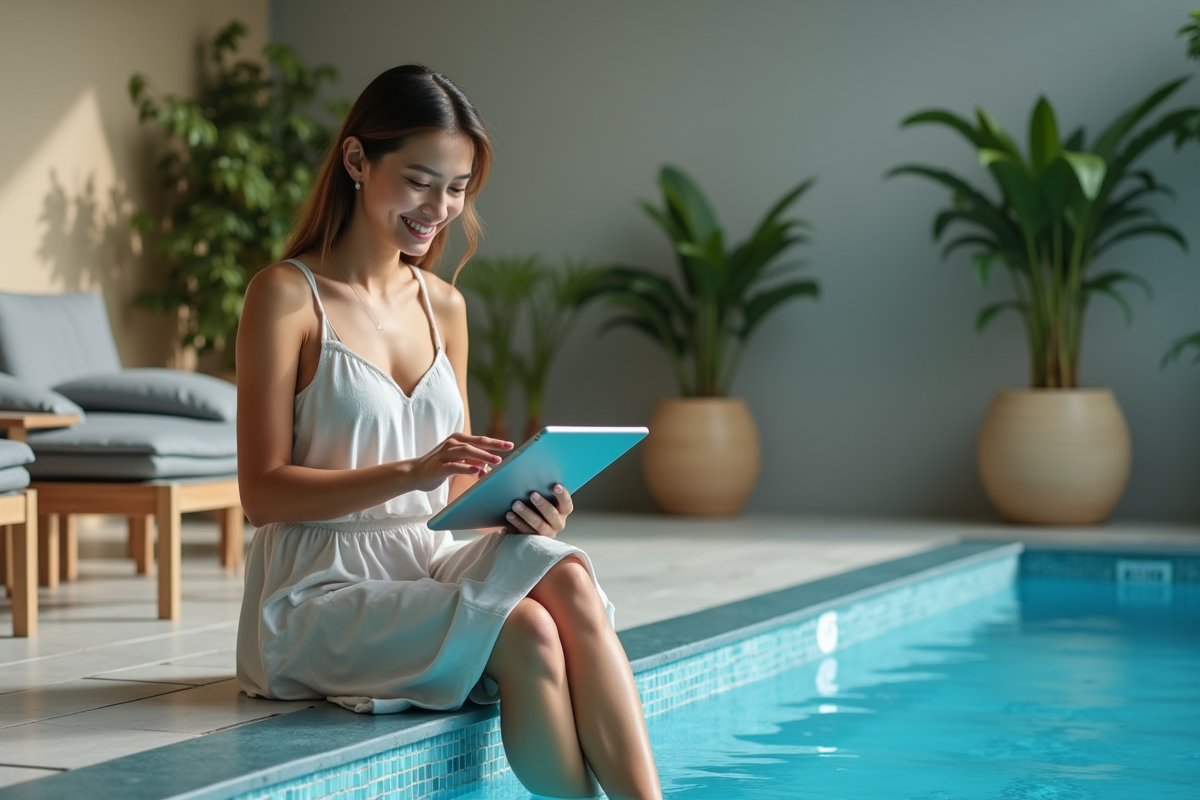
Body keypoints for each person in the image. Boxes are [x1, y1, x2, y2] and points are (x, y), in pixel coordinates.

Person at [233, 65, 662, 800]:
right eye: (420, 181)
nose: (440, 209)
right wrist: (411, 471)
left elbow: (456, 492)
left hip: (424, 558)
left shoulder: (444, 307)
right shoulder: (285, 296)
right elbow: (262, 494)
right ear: (357, 160)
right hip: (315, 588)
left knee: (566, 576)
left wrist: (523, 509)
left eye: (458, 188)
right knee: (526, 632)